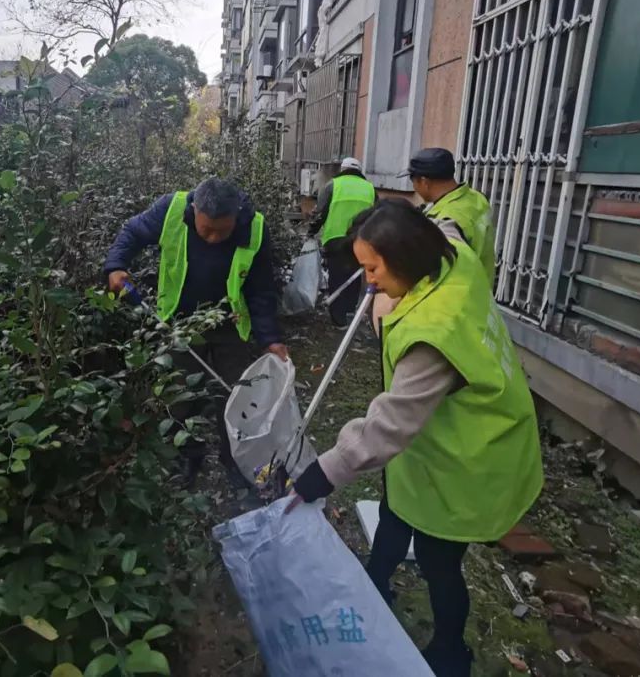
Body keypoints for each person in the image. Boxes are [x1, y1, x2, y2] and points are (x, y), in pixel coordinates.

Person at [288, 199, 543, 677]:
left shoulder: (434, 334)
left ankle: (450, 651)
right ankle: (376, 580)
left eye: (373, 269)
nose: (368, 283)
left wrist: (322, 473)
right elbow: (444, 226)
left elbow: (388, 425)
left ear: (404, 256)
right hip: (438, 438)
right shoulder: (450, 254)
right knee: (395, 503)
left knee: (436, 559)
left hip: (470, 454)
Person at [105, 177, 287, 484]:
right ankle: (188, 457)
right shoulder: (171, 210)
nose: (214, 239)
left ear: (235, 217)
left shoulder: (254, 227)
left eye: (222, 231)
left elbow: (261, 288)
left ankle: (235, 460)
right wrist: (115, 266)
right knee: (180, 397)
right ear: (194, 211)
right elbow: (133, 232)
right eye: (206, 230)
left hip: (230, 326)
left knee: (236, 396)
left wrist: (270, 338)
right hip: (180, 324)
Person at [401, 147, 497, 286]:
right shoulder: (476, 198)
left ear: (424, 182)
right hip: (481, 286)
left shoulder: (445, 221)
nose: (414, 187)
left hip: (459, 292)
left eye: (413, 180)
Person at [308, 157, 378, 327]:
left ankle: (338, 318)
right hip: (361, 241)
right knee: (354, 277)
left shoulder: (333, 185)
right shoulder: (370, 188)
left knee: (337, 276)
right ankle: (349, 311)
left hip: (335, 240)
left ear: (343, 169)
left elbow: (320, 213)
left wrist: (311, 232)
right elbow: (378, 214)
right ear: (359, 171)